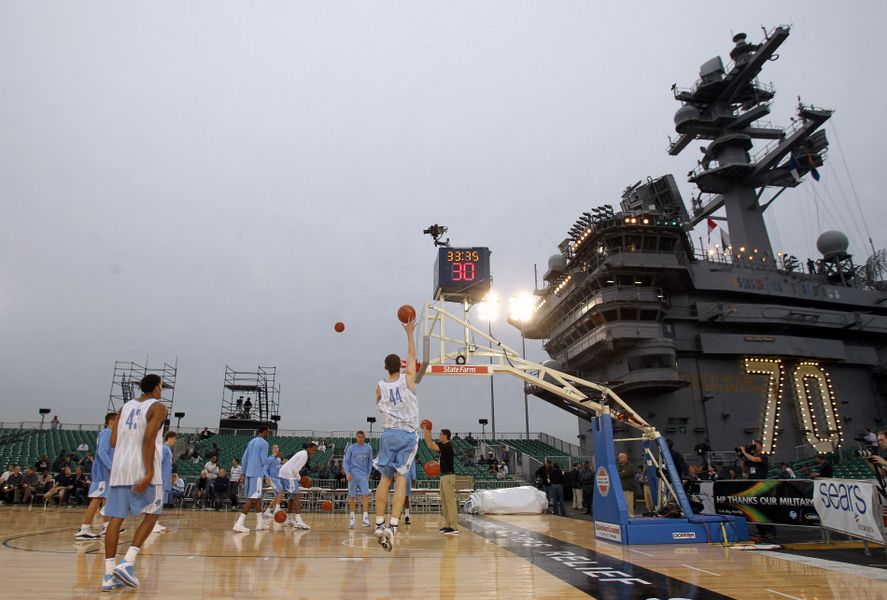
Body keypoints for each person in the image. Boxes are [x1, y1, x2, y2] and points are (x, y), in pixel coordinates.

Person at [101, 373, 167, 591]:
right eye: (161, 386)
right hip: (142, 467)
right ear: (156, 388)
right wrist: (148, 472)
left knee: (115, 520)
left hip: (120, 468)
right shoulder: (158, 407)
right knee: (153, 514)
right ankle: (128, 561)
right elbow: (149, 439)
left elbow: (113, 440)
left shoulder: (125, 407)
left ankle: (108, 576)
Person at [372, 317, 420, 551]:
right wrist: (409, 332)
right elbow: (412, 355)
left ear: (384, 367)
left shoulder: (380, 385)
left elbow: (378, 402)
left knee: (384, 479)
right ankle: (392, 525)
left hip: (388, 434)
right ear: (400, 367)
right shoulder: (407, 379)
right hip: (407, 434)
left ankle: (378, 522)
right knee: (402, 479)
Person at [232, 425, 272, 533]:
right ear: (263, 432)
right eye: (268, 432)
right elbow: (264, 460)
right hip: (257, 473)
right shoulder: (264, 443)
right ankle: (239, 523)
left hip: (249, 473)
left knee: (257, 498)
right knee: (252, 498)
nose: (269, 434)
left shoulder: (251, 442)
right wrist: (274, 457)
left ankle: (260, 523)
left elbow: (244, 458)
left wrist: (243, 473)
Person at [422, 426, 458, 534]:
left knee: (450, 502)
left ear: (445, 436)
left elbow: (430, 445)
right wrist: (428, 432)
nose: (439, 436)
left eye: (440, 434)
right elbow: (431, 444)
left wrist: (426, 431)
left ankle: (453, 526)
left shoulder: (447, 446)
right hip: (444, 476)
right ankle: (448, 525)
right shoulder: (444, 446)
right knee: (444, 502)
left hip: (448, 477)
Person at [739, 439, 776, 539]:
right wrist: (743, 457)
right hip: (753, 487)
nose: (754, 447)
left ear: (760, 446)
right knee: (755, 510)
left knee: (764, 510)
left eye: (755, 445)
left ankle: (770, 531)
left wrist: (744, 452)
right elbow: (746, 470)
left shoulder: (763, 457)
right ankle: (761, 530)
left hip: (761, 486)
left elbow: (756, 460)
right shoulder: (752, 458)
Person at [276, 443, 317, 529]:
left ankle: (289, 519)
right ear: (309, 448)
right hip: (288, 473)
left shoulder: (302, 452)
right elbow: (295, 470)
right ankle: (298, 520)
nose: (314, 452)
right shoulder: (304, 455)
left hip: (283, 472)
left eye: (315, 451)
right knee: (297, 495)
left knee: (292, 496)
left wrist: (298, 479)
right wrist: (300, 479)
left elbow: (294, 469)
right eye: (313, 450)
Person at [344, 430, 373, 528]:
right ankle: (352, 519)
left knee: (365, 495)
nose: (360, 438)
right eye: (359, 436)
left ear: (364, 438)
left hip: (363, 475)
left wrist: (368, 474)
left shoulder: (368, 448)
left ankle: (365, 518)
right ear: (356, 437)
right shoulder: (351, 448)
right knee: (352, 496)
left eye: (362, 437)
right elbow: (346, 462)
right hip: (352, 475)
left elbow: (370, 462)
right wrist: (347, 473)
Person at [153, 430, 177, 532]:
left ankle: (155, 522)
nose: (175, 441)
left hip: (165, 479)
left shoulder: (168, 449)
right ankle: (152, 524)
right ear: (170, 437)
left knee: (160, 502)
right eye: (175, 438)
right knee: (157, 502)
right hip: (161, 479)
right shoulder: (164, 448)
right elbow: (158, 464)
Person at [617, 452, 635, 516]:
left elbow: (623, 475)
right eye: (619, 457)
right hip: (620, 490)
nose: (619, 458)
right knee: (622, 506)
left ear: (625, 458)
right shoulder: (618, 466)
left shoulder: (630, 466)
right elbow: (618, 474)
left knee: (629, 506)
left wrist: (620, 474)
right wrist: (621, 473)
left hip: (628, 489)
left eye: (621, 457)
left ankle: (631, 520)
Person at [403, 460, 417, 525]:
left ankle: (406, 516)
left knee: (405, 498)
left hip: (405, 476)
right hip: (400, 475)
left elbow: (413, 466)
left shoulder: (411, 453)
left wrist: (413, 478)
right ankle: (403, 516)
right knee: (403, 498)